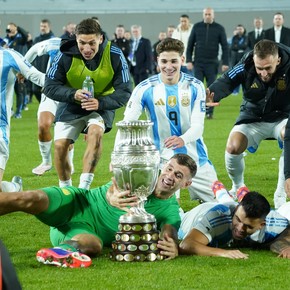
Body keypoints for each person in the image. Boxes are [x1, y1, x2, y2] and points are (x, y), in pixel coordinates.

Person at [0, 154, 197, 268]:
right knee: (28, 198)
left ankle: (59, 252)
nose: (170, 176)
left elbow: (169, 232)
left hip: (83, 232)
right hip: (77, 202)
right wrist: (111, 197)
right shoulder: (141, 175)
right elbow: (114, 187)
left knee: (93, 246)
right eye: (169, 169)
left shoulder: (171, 210)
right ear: (163, 166)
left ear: (186, 184)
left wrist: (172, 246)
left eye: (178, 175)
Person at [117, 38, 217, 203]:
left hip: (196, 158)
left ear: (182, 60)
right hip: (162, 160)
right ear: (157, 61)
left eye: (173, 61)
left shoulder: (195, 86)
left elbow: (198, 127)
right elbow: (127, 125)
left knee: (221, 207)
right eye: (164, 61)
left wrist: (182, 139)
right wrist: (118, 157)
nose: (168, 67)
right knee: (166, 209)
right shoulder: (144, 88)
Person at [43, 18, 131, 189]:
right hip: (72, 102)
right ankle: (66, 190)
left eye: (92, 43)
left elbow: (126, 91)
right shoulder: (64, 54)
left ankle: (84, 189)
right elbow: (49, 86)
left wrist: (100, 103)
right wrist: (72, 94)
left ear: (100, 39)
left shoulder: (114, 54)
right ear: (76, 39)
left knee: (95, 133)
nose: (87, 48)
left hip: (101, 103)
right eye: (82, 43)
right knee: (60, 146)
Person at [206, 39, 290, 209]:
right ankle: (238, 187)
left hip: (283, 117)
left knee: (288, 134)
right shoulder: (247, 61)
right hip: (253, 116)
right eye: (259, 68)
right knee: (233, 146)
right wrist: (212, 94)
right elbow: (228, 79)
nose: (264, 73)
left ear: (278, 60)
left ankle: (281, 194)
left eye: (268, 68)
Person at [179, 182, 290, 259]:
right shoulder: (217, 218)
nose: (240, 229)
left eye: (248, 226)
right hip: (192, 218)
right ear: (236, 209)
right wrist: (224, 253)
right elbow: (186, 244)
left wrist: (285, 247)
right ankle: (221, 192)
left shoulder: (275, 223)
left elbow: (283, 239)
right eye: (238, 220)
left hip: (228, 207)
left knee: (227, 203)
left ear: (262, 225)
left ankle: (222, 192)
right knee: (176, 216)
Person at [25, 37, 75, 176]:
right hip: (51, 92)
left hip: (69, 95)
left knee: (65, 133)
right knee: (43, 125)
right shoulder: (53, 44)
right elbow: (34, 49)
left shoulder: (81, 52)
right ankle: (46, 162)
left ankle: (69, 162)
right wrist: (23, 68)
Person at [0, 45, 45, 192]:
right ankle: (14, 187)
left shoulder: (9, 56)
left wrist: (68, 88)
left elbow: (38, 77)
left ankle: (14, 188)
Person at [186, 7, 229, 119]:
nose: (207, 16)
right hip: (198, 63)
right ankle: (199, 111)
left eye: (209, 14)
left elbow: (225, 46)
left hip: (212, 63)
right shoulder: (197, 27)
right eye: (206, 14)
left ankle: (210, 112)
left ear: (213, 15)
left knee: (211, 89)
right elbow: (190, 44)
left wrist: (225, 62)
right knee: (198, 87)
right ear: (203, 15)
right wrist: (189, 60)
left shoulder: (219, 28)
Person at [4, 22, 29, 119]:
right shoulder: (5, 41)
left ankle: (18, 111)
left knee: (19, 91)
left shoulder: (20, 39)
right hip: (8, 69)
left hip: (18, 69)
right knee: (8, 90)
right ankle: (9, 110)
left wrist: (17, 28)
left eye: (11, 29)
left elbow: (26, 36)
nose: (9, 31)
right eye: (8, 29)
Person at [31, 19, 55, 103]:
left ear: (49, 27)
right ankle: (42, 105)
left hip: (48, 71)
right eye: (41, 26)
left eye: (44, 26)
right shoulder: (37, 39)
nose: (42, 28)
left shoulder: (53, 39)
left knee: (47, 92)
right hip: (37, 69)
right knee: (35, 90)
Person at [229, 24, 248, 95]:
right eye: (238, 29)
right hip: (235, 59)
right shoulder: (234, 37)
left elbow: (246, 46)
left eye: (241, 29)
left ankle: (245, 90)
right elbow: (233, 47)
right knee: (235, 75)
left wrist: (238, 47)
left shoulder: (246, 37)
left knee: (244, 75)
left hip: (244, 59)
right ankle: (235, 90)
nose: (239, 30)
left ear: (243, 30)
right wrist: (241, 48)